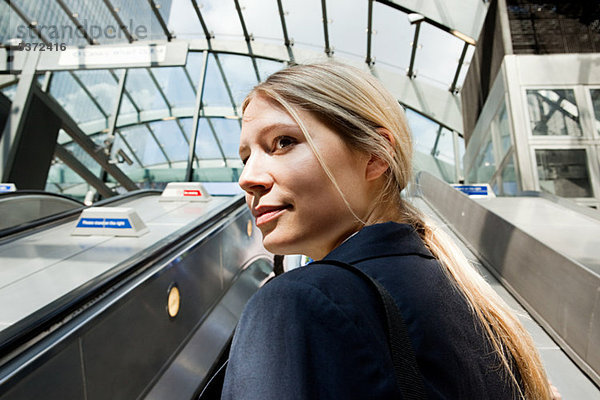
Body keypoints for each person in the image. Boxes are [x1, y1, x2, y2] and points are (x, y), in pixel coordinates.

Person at [221, 62, 554, 399]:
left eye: (283, 142)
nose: (247, 178)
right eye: (245, 157)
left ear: (375, 155)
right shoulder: (475, 309)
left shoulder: (298, 303)